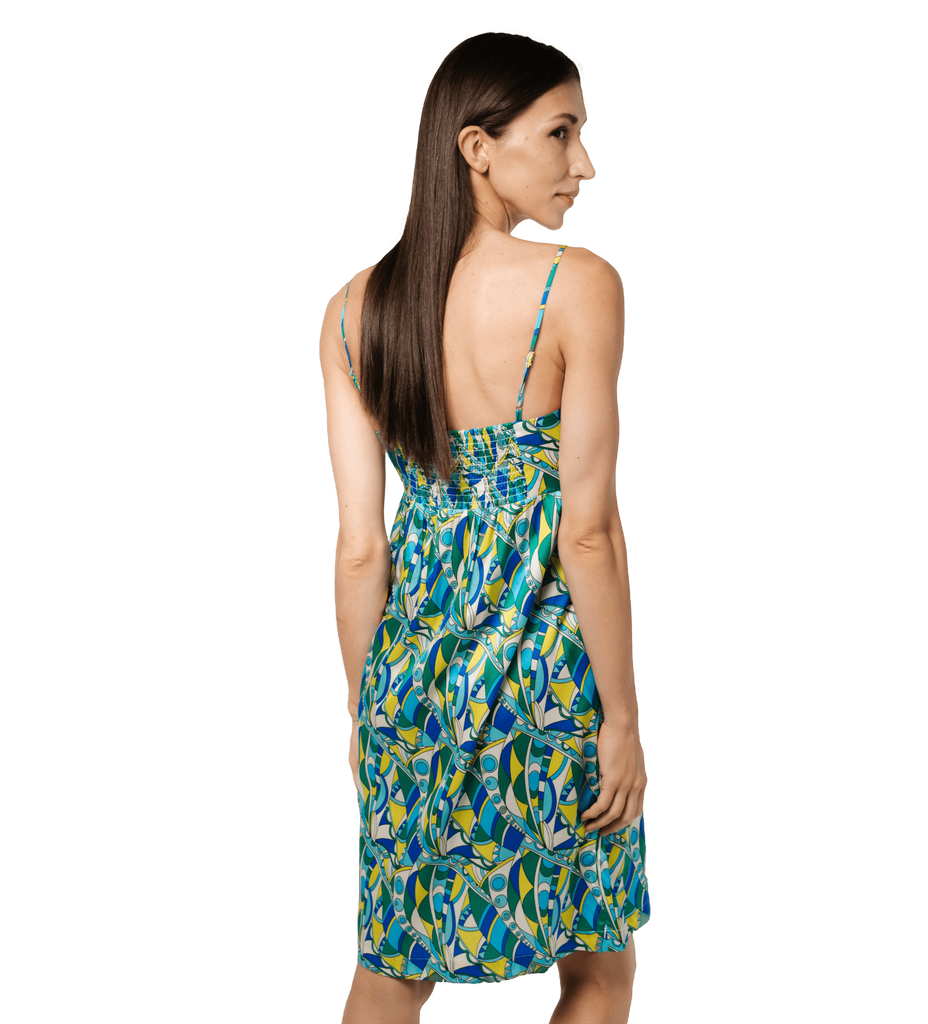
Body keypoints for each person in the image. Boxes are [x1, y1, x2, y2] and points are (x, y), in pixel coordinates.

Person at [316, 28, 652, 1024]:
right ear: (476, 146)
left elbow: (359, 547)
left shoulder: (349, 309)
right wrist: (624, 721)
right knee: (597, 965)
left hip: (406, 684)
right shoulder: (579, 283)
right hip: (545, 683)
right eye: (561, 133)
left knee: (390, 974)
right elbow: (587, 532)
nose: (585, 165)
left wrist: (359, 714)